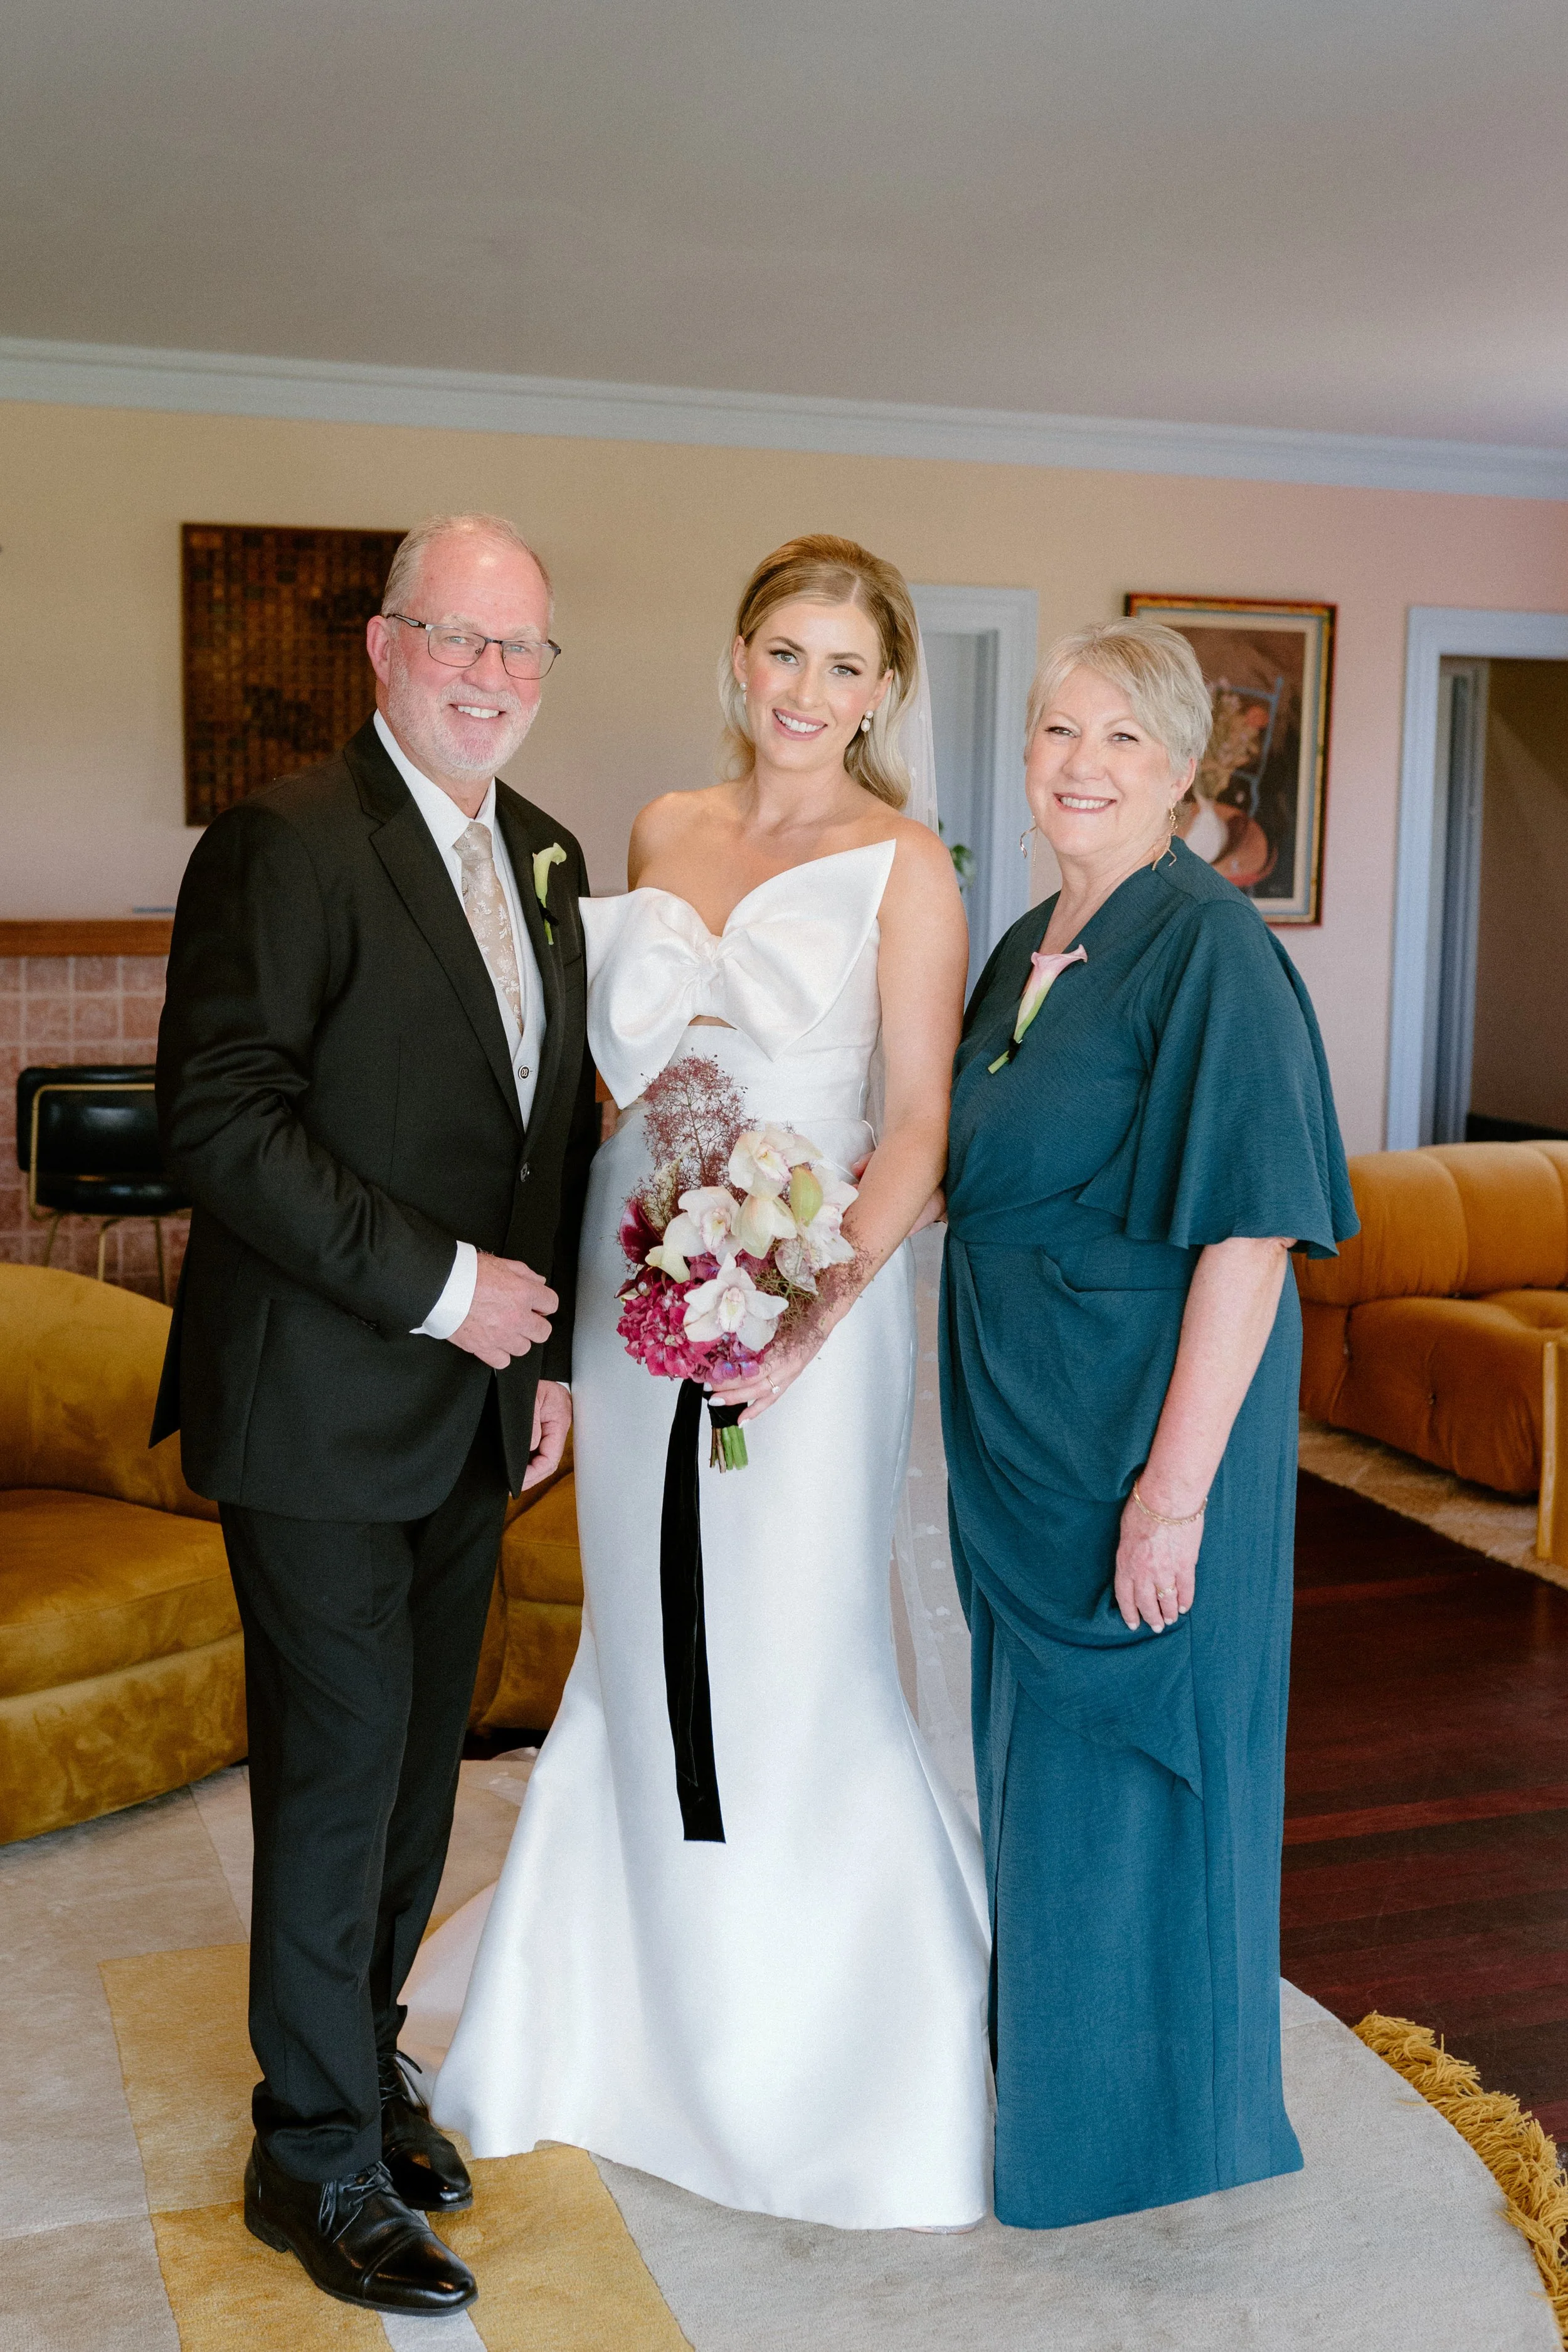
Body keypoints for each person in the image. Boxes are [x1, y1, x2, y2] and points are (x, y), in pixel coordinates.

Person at [410, 535, 991, 2229]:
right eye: (782, 653)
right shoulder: (661, 828)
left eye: (842, 666)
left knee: (783, 1635)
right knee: (641, 1631)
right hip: (633, 1278)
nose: (805, 690)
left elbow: (917, 1125)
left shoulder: (906, 865)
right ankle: (609, 2010)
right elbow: (616, 1090)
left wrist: (808, 1312)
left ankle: (806, 2047)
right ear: (738, 658)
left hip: (813, 1296)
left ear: (880, 693)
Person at [154, 513, 598, 2316]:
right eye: (456, 637)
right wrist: (443, 1286)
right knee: (339, 1777)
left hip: (474, 1409)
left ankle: (362, 2055)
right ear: (383, 645)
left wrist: (544, 1355)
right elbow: (221, 1116)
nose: (489, 675)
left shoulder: (550, 853)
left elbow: (547, 1130)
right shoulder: (282, 840)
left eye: (519, 647)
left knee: (419, 1775)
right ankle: (310, 2153)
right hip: (318, 1406)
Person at [940, 618, 1357, 2230]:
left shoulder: (1210, 947)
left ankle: (1153, 2140)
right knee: (1040, 1783)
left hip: (1145, 1438)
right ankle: (1058, 2101)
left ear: (1183, 770)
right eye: (1059, 730)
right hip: (1030, 1429)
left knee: (1137, 1779)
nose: (1080, 764)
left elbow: (1247, 1235)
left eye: (1122, 737)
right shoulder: (1028, 940)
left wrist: (1170, 1496)